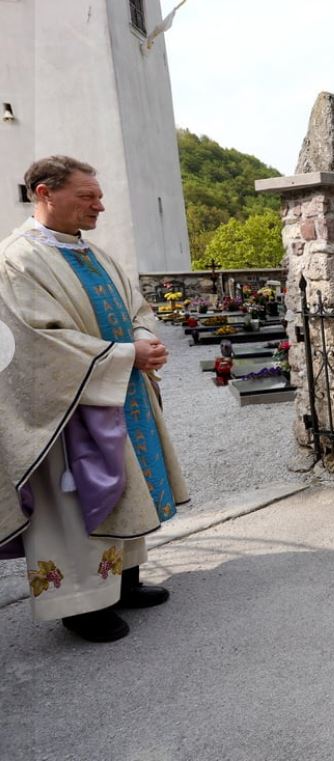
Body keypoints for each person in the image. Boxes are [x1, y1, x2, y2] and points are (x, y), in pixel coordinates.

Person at [0, 155, 189, 642]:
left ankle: (123, 581)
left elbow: (135, 306)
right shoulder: (17, 259)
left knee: (128, 484)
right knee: (72, 501)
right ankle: (80, 604)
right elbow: (36, 340)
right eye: (88, 196)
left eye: (98, 196)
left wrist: (144, 338)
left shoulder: (93, 253)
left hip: (118, 389)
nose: (99, 206)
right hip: (66, 407)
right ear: (45, 193)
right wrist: (126, 354)